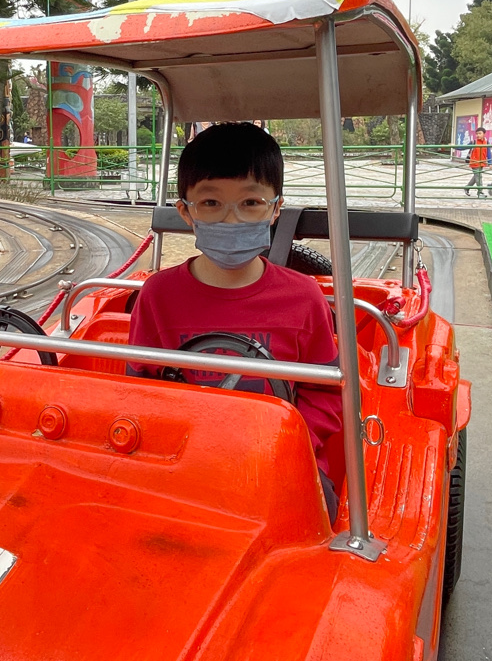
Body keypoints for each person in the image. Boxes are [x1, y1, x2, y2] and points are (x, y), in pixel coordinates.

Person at [128, 122, 342, 521]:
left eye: (250, 203)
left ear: (275, 209)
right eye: (211, 203)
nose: (231, 221)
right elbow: (140, 391)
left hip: (281, 461)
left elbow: (325, 393)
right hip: (183, 463)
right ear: (185, 211)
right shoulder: (158, 296)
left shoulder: (303, 297)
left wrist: (290, 444)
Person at [464, 128, 489, 197]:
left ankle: (467, 188)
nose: (478, 135)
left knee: (476, 177)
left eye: (480, 133)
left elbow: (488, 151)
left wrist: (490, 162)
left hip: (482, 162)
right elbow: (464, 147)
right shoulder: (474, 142)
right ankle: (480, 192)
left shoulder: (486, 141)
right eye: (477, 134)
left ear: (484, 134)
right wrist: (454, 147)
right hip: (474, 162)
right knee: (479, 177)